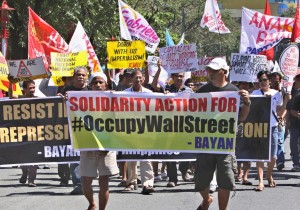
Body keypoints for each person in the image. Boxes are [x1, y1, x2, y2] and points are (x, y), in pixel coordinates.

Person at [195, 58, 250, 210]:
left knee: (225, 181)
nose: (210, 73)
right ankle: (207, 199)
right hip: (205, 142)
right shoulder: (202, 91)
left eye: (214, 70)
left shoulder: (234, 91)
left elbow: (242, 118)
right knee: (200, 180)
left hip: (225, 144)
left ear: (224, 71)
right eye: (209, 70)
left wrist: (246, 103)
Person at [80, 72, 119, 210]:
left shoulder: (113, 98)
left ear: (105, 84)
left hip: (106, 147)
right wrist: (64, 100)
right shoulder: (80, 99)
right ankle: (92, 203)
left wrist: (115, 99)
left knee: (104, 184)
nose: (98, 85)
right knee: (85, 184)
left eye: (100, 82)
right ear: (90, 86)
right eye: (95, 82)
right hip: (87, 145)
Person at [251, 70, 289, 191]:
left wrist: (287, 100)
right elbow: (252, 110)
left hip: (272, 127)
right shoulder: (255, 93)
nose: (263, 82)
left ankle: (269, 174)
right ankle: (261, 180)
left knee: (273, 156)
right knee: (260, 155)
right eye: (261, 80)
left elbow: (279, 110)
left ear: (269, 81)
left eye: (265, 80)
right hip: (259, 127)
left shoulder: (276, 94)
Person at [123, 69, 155, 195]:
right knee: (132, 156)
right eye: (135, 77)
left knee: (145, 156)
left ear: (143, 79)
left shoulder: (149, 93)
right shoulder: (124, 93)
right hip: (130, 128)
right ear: (131, 79)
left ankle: (147, 183)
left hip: (145, 128)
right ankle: (131, 182)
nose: (138, 79)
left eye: (140, 77)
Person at [59, 66, 89, 195]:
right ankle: (78, 184)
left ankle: (86, 183)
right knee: (75, 158)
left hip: (89, 129)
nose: (81, 77)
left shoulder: (91, 91)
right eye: (78, 75)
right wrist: (60, 100)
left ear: (86, 77)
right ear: (74, 76)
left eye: (83, 75)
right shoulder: (67, 90)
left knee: (88, 159)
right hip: (73, 129)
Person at [9, 79, 38, 187]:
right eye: (30, 88)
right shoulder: (20, 98)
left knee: (34, 156)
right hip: (21, 131)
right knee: (23, 156)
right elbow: (11, 96)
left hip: (35, 132)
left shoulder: (38, 100)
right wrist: (11, 83)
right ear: (24, 89)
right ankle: (24, 171)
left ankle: (31, 180)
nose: (32, 90)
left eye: (34, 88)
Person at [270, 72, 287, 171]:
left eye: (276, 80)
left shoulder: (283, 92)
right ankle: (271, 159)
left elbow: (286, 107)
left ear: (280, 80)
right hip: (271, 120)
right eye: (272, 80)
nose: (274, 82)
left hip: (280, 120)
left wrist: (282, 117)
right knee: (272, 142)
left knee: (280, 140)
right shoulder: (268, 91)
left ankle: (280, 161)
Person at [289, 74, 300, 172]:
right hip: (294, 123)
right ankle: (296, 163)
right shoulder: (297, 95)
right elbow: (292, 110)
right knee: (294, 143)